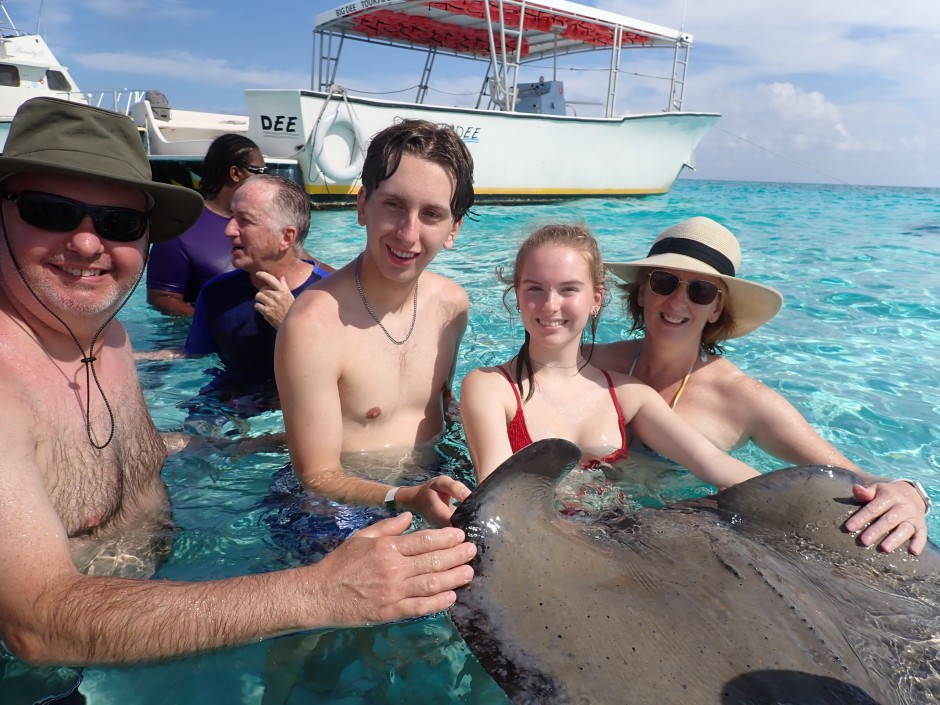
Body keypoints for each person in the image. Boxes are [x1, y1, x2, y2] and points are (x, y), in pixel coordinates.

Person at [0, 98, 475, 669]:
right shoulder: (11, 384)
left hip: (153, 606)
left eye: (119, 223)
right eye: (49, 211)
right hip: (63, 669)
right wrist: (318, 592)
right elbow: (36, 626)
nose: (85, 244)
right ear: (362, 206)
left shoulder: (109, 341)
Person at [589, 216, 931, 554]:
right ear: (642, 293)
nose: (678, 302)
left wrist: (911, 493)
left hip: (673, 541)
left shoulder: (744, 399)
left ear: (716, 309)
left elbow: (851, 477)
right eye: (664, 282)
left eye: (700, 291)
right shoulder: (591, 361)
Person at [275, 119, 475, 529]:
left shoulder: (452, 307)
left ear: (453, 229)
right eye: (394, 205)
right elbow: (317, 476)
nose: (408, 234)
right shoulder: (312, 326)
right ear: (363, 205)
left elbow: (444, 406)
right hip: (343, 511)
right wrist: (405, 498)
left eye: (431, 214)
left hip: (434, 482)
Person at [459, 223, 761, 489]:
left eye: (568, 289)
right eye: (535, 288)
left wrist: (783, 506)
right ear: (517, 295)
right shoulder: (489, 387)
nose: (550, 305)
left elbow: (711, 461)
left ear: (596, 299)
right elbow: (495, 494)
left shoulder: (631, 396)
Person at [183, 173, 334, 378]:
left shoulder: (333, 296)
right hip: (227, 396)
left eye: (245, 220)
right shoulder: (214, 294)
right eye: (231, 216)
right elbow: (193, 357)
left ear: (286, 237)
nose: (229, 230)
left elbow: (352, 375)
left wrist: (290, 324)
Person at [146, 133, 264, 316]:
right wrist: (213, 323)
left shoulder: (267, 222)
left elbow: (301, 264)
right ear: (235, 174)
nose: (267, 179)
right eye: (259, 172)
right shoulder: (181, 229)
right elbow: (161, 297)